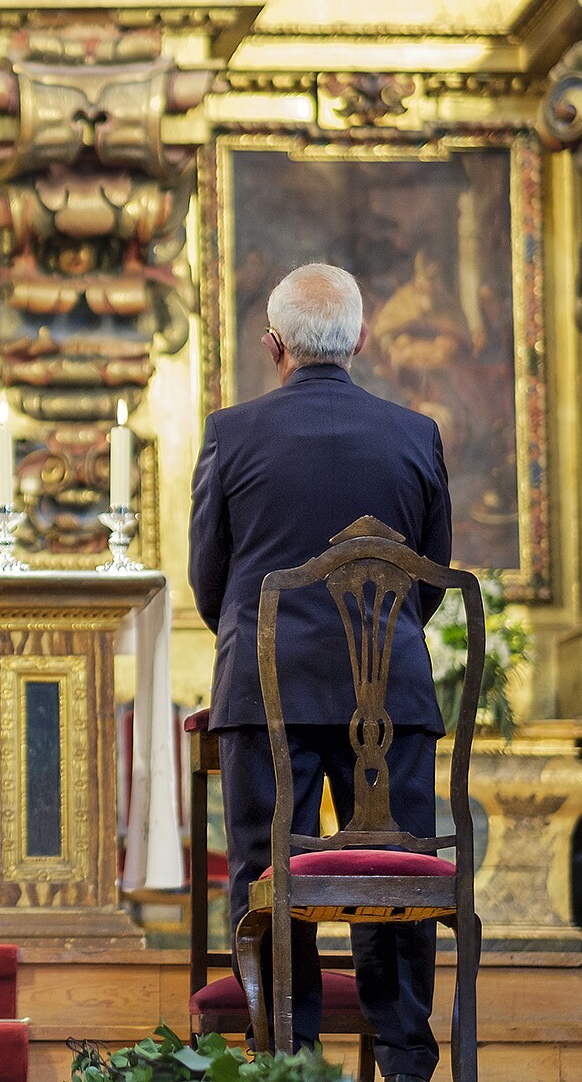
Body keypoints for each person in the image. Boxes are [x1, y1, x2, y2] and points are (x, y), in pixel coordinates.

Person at [190, 263, 452, 1082]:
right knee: (391, 878)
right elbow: (430, 574)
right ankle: (408, 1060)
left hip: (265, 696)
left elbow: (211, 577)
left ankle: (289, 1060)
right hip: (395, 703)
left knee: (268, 878)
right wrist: (379, 647)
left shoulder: (232, 433)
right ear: (362, 340)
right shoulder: (416, 434)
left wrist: (263, 651)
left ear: (273, 346)